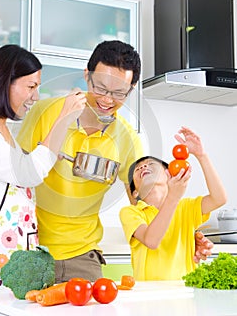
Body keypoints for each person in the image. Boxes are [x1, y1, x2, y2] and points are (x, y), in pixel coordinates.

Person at [17, 41, 214, 283]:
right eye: (101, 88)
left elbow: (146, 207)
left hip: (83, 256)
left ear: (131, 89)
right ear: (87, 76)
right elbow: (16, 179)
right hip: (30, 249)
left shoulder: (128, 140)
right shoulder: (44, 112)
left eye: (119, 92)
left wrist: (184, 233)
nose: (108, 100)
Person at [0, 44, 86, 288]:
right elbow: (28, 174)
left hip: (13, 264)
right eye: (31, 87)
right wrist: (64, 117)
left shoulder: (6, 132)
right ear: (5, 82)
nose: (35, 97)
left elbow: (27, 168)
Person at [119, 127, 227, 281]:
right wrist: (173, 197)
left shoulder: (186, 207)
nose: (143, 167)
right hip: (148, 294)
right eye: (137, 169)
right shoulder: (131, 213)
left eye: (151, 165)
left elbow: (219, 198)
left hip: (186, 289)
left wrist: (201, 156)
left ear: (169, 174)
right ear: (135, 192)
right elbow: (151, 241)